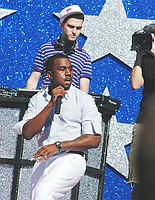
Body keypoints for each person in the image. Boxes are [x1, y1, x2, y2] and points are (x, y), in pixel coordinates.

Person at [13, 54, 102, 200]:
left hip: (71, 157)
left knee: (43, 195)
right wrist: (51, 104)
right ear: (49, 75)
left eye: (70, 69)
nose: (68, 73)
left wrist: (59, 146)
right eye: (62, 69)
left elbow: (94, 139)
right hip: (44, 159)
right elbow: (28, 133)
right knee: (37, 197)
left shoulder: (84, 99)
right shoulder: (38, 99)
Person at [26, 5, 92, 93]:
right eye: (71, 27)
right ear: (61, 25)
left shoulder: (84, 56)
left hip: (71, 103)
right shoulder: (45, 48)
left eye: (78, 28)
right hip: (45, 100)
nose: (74, 31)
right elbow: (34, 78)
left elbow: (84, 90)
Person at [128, 32, 155, 200]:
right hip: (144, 124)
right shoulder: (144, 60)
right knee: (138, 180)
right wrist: (139, 54)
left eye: (152, 39)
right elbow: (136, 84)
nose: (149, 42)